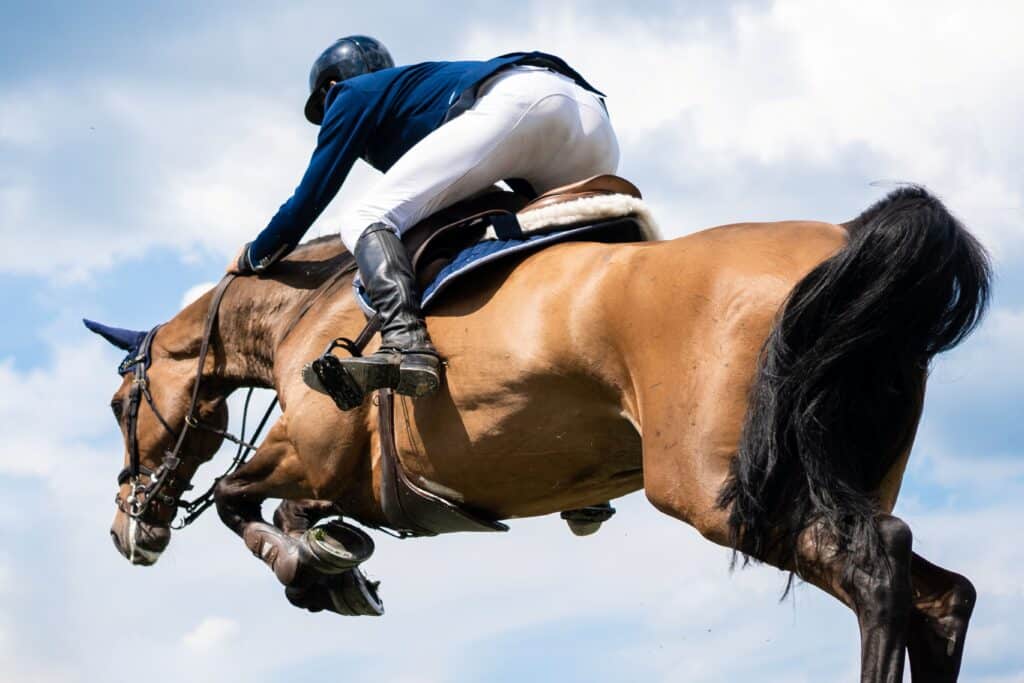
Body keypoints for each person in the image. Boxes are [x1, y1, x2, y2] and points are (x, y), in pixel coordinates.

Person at [229, 35, 620, 409]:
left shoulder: (350, 94)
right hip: (593, 124)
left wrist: (254, 255)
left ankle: (405, 345)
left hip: (523, 101)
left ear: (331, 84)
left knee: (365, 217)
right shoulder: (413, 96)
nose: (328, 115)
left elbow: (310, 198)